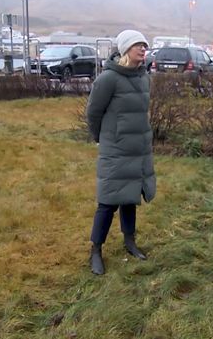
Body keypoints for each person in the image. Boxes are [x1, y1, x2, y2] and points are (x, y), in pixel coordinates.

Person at [86, 29, 156, 275]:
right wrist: (101, 139)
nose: (143, 49)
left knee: (130, 198)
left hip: (137, 149)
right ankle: (96, 250)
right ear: (126, 49)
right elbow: (93, 113)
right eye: (138, 45)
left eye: (144, 46)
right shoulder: (108, 79)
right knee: (107, 202)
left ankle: (129, 241)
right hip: (115, 149)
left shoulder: (143, 77)